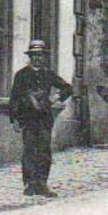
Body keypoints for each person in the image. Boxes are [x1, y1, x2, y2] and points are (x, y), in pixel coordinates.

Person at [8, 39, 73, 198]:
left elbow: (68, 88)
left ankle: (42, 183)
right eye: (34, 55)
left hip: (44, 118)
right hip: (28, 118)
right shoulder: (21, 75)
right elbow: (14, 98)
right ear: (30, 57)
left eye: (40, 55)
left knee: (44, 150)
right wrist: (15, 118)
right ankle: (30, 184)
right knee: (29, 150)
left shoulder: (48, 74)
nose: (37, 58)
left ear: (44, 57)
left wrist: (55, 97)